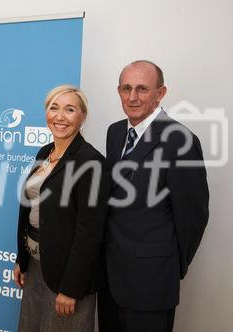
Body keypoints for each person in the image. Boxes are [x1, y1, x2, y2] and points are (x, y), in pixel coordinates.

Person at [98, 60, 209, 332]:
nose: (132, 97)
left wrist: (170, 267)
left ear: (161, 93)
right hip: (109, 277)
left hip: (151, 282)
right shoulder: (114, 132)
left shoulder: (179, 140)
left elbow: (193, 216)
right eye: (126, 88)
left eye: (142, 89)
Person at [14, 85, 108, 331]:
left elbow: (90, 232)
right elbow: (30, 208)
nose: (60, 116)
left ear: (82, 116)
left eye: (69, 109)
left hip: (67, 275)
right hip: (36, 266)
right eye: (54, 108)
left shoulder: (92, 162)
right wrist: (21, 259)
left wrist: (71, 288)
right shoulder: (45, 152)